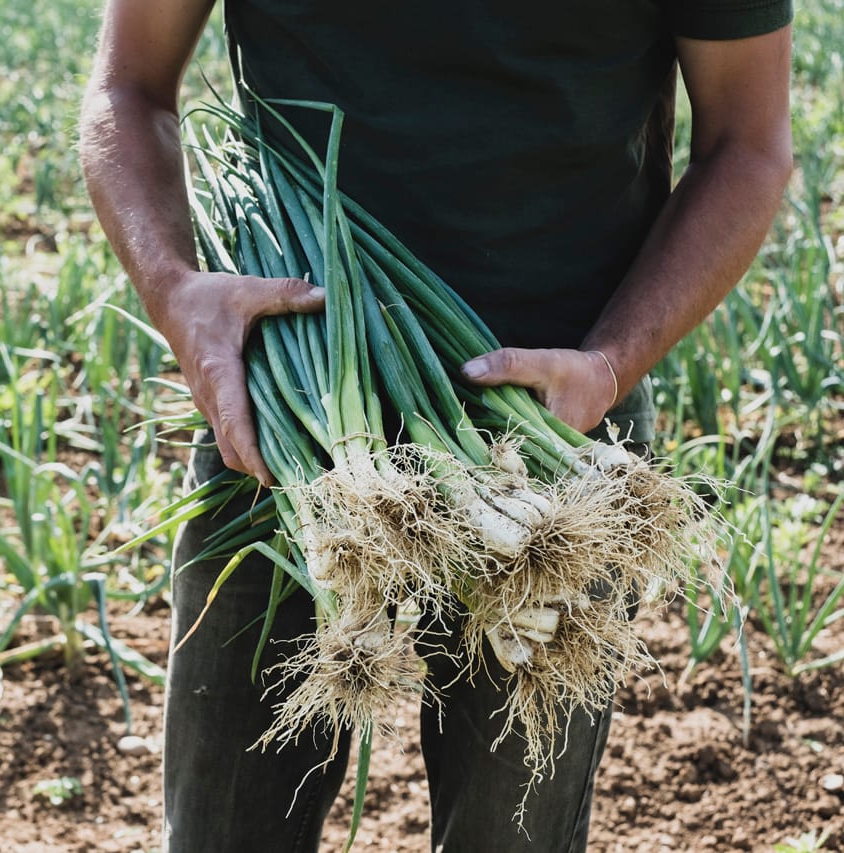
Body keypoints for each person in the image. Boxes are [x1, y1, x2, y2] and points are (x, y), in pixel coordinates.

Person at [79, 2, 793, 850]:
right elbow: (129, 85)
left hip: (556, 443)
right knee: (225, 833)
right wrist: (174, 289)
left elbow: (747, 143)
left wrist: (609, 364)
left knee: (511, 835)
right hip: (288, 409)